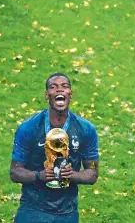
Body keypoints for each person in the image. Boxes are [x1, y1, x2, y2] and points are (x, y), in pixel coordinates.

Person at [10, 72, 100, 223]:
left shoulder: (86, 129)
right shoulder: (29, 128)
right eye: (53, 87)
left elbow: (93, 174)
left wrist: (71, 175)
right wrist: (39, 176)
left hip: (67, 212)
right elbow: (14, 172)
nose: (59, 90)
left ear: (70, 94)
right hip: (33, 209)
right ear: (47, 95)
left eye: (64, 87)